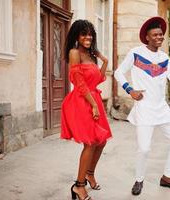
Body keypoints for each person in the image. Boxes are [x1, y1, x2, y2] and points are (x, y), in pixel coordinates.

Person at [114, 16, 170, 196]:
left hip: (161, 108)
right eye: (155, 35)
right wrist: (130, 90)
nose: (159, 37)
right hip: (144, 108)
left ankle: (167, 177)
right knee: (144, 148)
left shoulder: (164, 57)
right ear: (147, 37)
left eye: (161, 34)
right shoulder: (136, 53)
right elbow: (118, 72)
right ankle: (139, 180)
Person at [60, 19, 112, 200]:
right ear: (77, 36)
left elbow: (97, 79)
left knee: (102, 141)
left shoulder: (91, 56)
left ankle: (89, 173)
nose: (88, 37)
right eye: (84, 33)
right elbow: (79, 83)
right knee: (90, 142)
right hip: (83, 101)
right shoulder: (74, 53)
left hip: (93, 99)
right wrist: (94, 104)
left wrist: (104, 59)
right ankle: (79, 186)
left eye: (90, 33)